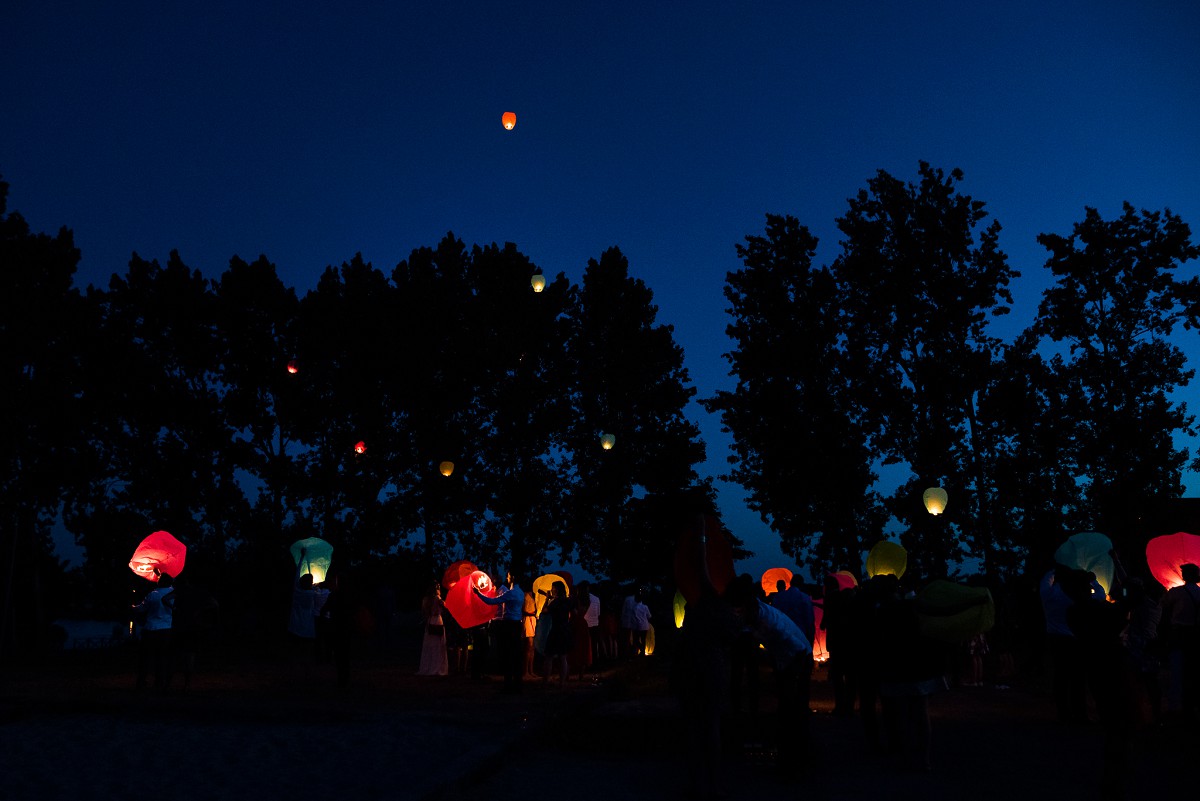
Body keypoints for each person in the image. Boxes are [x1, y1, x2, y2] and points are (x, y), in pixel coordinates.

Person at [725, 573, 813, 767]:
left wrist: (790, 676)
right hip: (789, 659)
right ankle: (792, 752)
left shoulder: (769, 621)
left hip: (799, 659)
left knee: (794, 708)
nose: (735, 614)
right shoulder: (756, 614)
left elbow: (796, 649)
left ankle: (797, 757)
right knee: (787, 707)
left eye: (737, 610)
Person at [474, 571, 525, 692]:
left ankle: (508, 684)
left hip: (509, 625)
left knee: (508, 653)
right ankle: (517, 683)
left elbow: (492, 601)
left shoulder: (510, 593)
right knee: (516, 654)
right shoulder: (521, 592)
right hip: (517, 624)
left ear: (512, 577)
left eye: (508, 575)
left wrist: (478, 593)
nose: (506, 577)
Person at [1162, 562, 1200, 721]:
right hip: (1196, 636)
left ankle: (1176, 708)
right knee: (1193, 672)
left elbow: (1165, 609)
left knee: (1177, 671)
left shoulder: (1175, 592)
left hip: (1178, 636)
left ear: (1184, 576)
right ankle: (1191, 706)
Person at [134, 572, 176, 690]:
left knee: (145, 657)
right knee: (162, 657)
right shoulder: (173, 594)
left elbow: (142, 609)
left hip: (150, 629)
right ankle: (160, 682)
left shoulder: (153, 594)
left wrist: (133, 607)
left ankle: (141, 682)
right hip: (165, 630)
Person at [542, 580, 574, 687]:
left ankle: (546, 681)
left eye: (553, 588)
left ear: (556, 589)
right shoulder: (567, 601)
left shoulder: (555, 602)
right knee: (563, 657)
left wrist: (547, 599)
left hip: (556, 630)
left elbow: (544, 611)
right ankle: (562, 682)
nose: (551, 590)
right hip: (565, 629)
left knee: (549, 656)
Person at [772, 576, 815, 646]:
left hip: (783, 632)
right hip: (800, 633)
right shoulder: (804, 597)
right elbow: (809, 619)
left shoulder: (778, 597)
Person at [417, 581, 448, 676]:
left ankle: (428, 666)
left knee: (429, 644)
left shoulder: (427, 599)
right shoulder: (437, 599)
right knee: (438, 645)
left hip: (430, 620)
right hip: (437, 620)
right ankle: (437, 667)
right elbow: (446, 606)